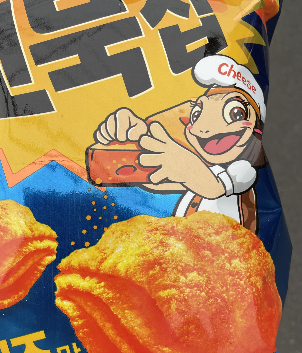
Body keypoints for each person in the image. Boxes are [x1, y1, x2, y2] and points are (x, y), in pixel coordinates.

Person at [92, 56, 267, 233]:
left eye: (235, 113)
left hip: (226, 245)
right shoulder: (201, 164)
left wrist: (183, 164)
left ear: (256, 127)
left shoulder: (242, 170)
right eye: (197, 114)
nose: (203, 128)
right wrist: (136, 137)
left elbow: (213, 188)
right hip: (184, 243)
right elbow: (155, 182)